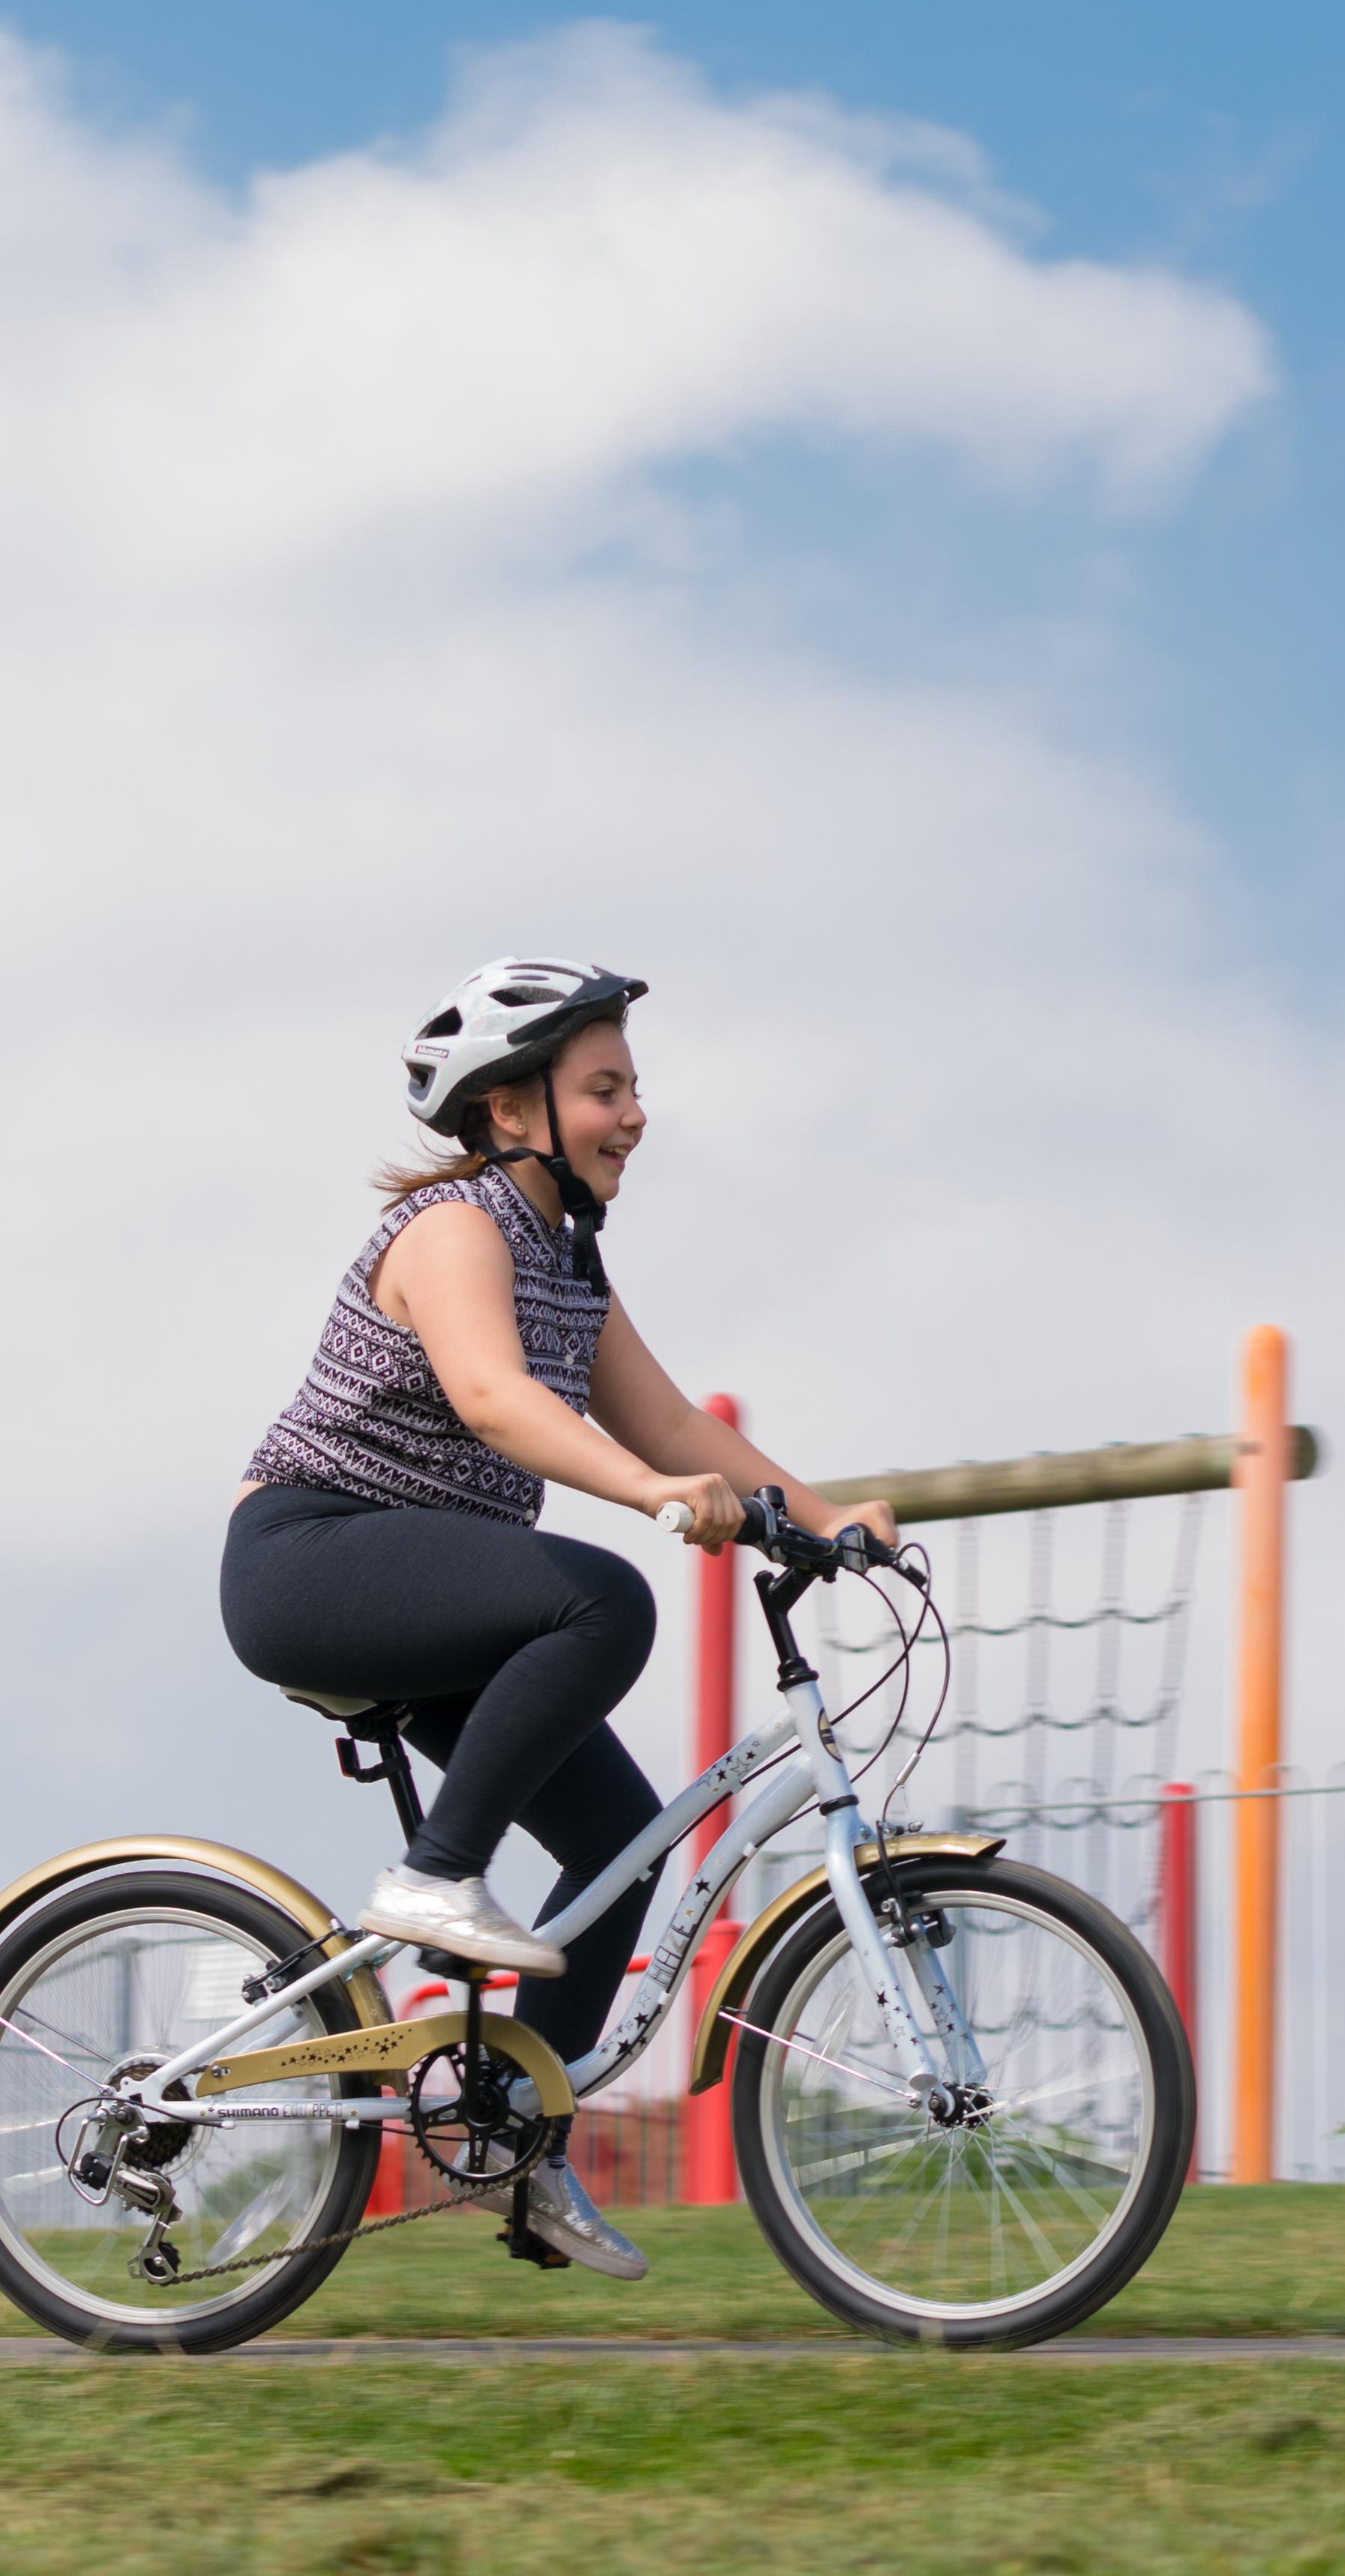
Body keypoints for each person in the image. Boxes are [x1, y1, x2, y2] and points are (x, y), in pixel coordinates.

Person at [222, 959, 900, 2281]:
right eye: (604, 1089)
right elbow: (490, 1400)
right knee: (603, 1597)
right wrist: (652, 1499)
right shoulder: (456, 1232)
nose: (633, 1114)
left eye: (633, 1087)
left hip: (423, 1593)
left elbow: (669, 1420)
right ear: (511, 1108)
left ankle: (517, 2159)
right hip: (309, 1559)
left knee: (620, 1845)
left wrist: (827, 1522)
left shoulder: (566, 1262)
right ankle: (431, 1880)